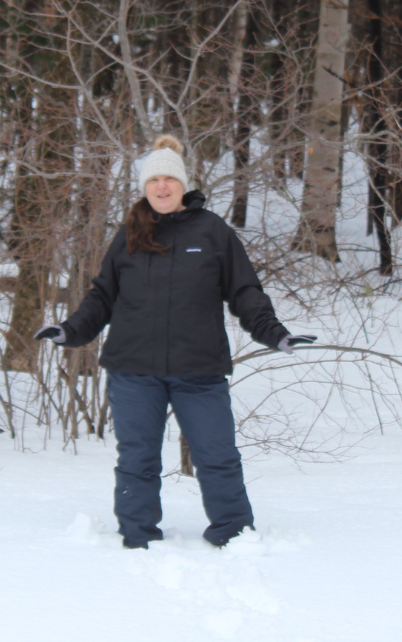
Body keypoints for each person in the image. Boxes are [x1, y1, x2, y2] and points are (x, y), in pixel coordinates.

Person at [34, 135, 316, 549]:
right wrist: (70, 330)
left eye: (169, 179)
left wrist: (275, 333)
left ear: (182, 185)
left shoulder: (213, 231)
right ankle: (136, 535)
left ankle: (234, 535)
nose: (161, 187)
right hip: (133, 369)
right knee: (137, 460)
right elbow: (102, 295)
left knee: (217, 457)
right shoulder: (130, 232)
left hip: (199, 368)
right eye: (153, 181)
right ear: (144, 188)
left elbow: (245, 292)